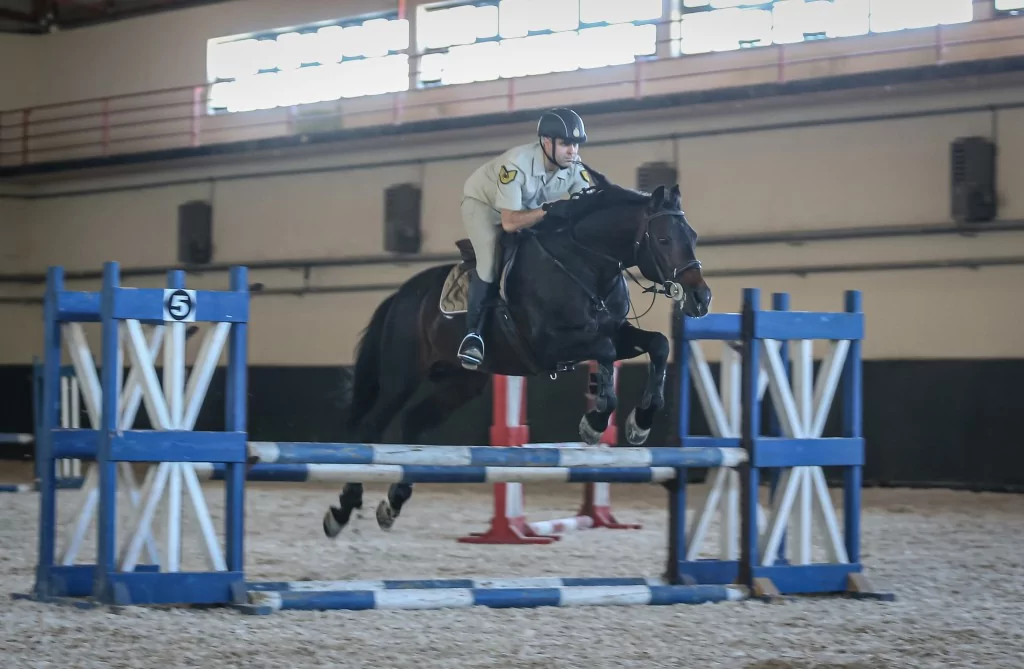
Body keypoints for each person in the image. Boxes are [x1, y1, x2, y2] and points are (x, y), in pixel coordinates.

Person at [456, 107, 595, 369]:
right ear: (546, 142)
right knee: (490, 259)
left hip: (526, 210)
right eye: (566, 143)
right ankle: (474, 335)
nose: (573, 151)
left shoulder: (575, 168)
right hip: (486, 208)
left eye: (576, 144)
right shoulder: (516, 164)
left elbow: (590, 209)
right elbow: (509, 224)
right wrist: (549, 210)